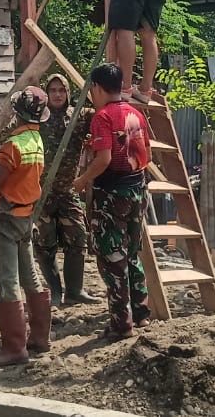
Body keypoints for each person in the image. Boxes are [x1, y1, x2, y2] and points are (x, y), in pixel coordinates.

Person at [72, 63, 152, 340]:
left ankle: (121, 323)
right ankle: (141, 314)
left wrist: (82, 180)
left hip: (112, 194)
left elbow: (104, 159)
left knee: (111, 257)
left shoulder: (102, 117)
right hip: (138, 189)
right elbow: (145, 155)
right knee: (131, 252)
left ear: (96, 87)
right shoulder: (135, 113)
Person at [0, 87, 53, 366]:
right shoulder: (36, 140)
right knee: (31, 278)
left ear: (16, 112)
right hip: (25, 217)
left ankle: (14, 348)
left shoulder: (12, 145)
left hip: (6, 218)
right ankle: (40, 339)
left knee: (7, 282)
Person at [34, 74, 100, 306]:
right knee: (45, 243)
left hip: (68, 190)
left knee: (78, 238)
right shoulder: (38, 116)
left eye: (61, 90)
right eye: (52, 90)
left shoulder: (79, 116)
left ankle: (75, 290)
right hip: (41, 192)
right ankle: (54, 291)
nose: (57, 94)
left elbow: (101, 113)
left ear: (68, 92)